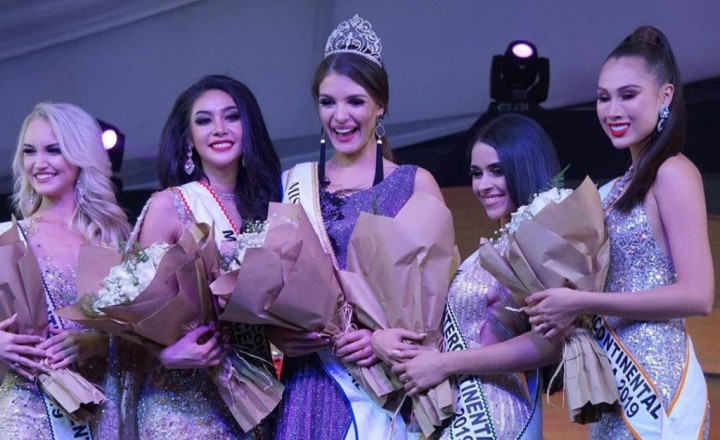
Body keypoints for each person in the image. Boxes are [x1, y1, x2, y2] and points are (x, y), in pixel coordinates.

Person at [526, 26, 712, 439]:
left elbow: (699, 295)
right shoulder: (616, 189)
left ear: (665, 96)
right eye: (603, 97)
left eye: (628, 95)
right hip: (614, 385)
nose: (612, 110)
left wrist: (582, 302)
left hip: (658, 386)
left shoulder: (673, 172)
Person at [270, 14, 445, 440]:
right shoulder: (293, 184)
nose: (340, 116)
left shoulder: (414, 183)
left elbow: (433, 305)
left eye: (355, 101)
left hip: (383, 381)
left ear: (379, 105)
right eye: (328, 102)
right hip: (311, 380)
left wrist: (379, 338)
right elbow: (274, 291)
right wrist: (279, 334)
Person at [387, 114, 562, 439]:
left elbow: (549, 344)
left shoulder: (539, 242)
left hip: (494, 417)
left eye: (496, 171)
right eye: (476, 173)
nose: (483, 185)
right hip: (460, 412)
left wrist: (445, 364)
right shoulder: (493, 248)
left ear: (524, 166)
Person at [127, 74, 281, 439]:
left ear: (249, 127)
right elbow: (135, 311)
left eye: (232, 116)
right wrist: (165, 355)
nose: (219, 129)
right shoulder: (170, 206)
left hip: (253, 394)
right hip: (183, 401)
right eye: (204, 120)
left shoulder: (269, 209)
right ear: (188, 138)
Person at [0, 102, 131, 439]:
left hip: (101, 409)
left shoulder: (112, 242)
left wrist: (97, 343)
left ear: (80, 154)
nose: (39, 163)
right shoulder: (8, 239)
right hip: (29, 410)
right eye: (29, 151)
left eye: (53, 150)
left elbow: (142, 339)